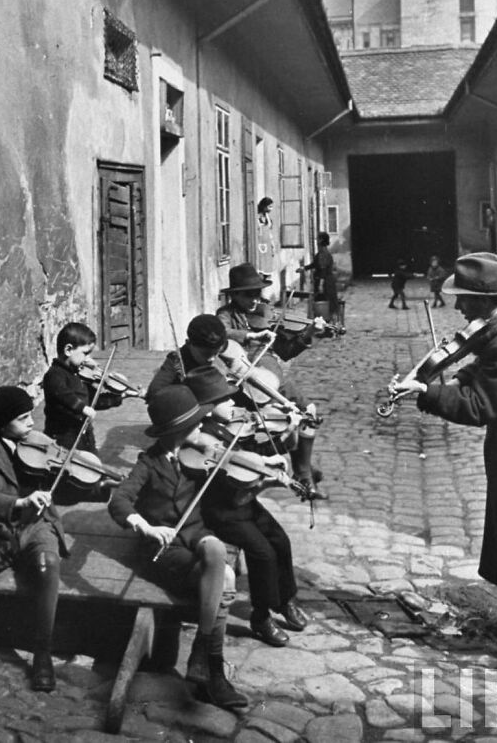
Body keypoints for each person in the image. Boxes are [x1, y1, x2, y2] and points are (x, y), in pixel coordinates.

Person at [389, 252, 497, 667]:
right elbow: (480, 372)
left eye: (464, 299)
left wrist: (427, 392)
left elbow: (478, 404)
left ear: (486, 301)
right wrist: (451, 379)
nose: (457, 306)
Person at [0, 386, 111, 692]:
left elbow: (64, 485)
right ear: (2, 422)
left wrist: (96, 488)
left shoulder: (42, 445)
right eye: (23, 419)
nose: (32, 424)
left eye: (31, 416)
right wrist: (18, 504)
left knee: (48, 566)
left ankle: (42, 652)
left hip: (38, 526)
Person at [108, 385, 248, 709]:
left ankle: (201, 648)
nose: (202, 427)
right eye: (195, 424)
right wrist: (146, 526)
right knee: (225, 578)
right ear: (177, 429)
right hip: (166, 548)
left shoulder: (197, 455)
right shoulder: (149, 463)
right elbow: (119, 501)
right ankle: (213, 670)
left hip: (197, 532)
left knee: (215, 552)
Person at [184, 365, 309, 648]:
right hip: (221, 510)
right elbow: (234, 488)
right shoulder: (200, 439)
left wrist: (279, 445)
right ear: (207, 405)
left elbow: (255, 452)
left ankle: (285, 600)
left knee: (280, 539)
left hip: (243, 503)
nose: (232, 404)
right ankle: (261, 616)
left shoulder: (232, 427)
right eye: (224, 401)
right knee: (262, 552)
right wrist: (264, 482)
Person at [216, 263, 326, 500]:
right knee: (276, 421)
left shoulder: (266, 313)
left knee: (309, 411)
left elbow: (285, 351)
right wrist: (250, 335)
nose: (256, 299)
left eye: (258, 293)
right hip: (246, 381)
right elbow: (220, 334)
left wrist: (307, 335)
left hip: (274, 377)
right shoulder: (225, 315)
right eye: (249, 294)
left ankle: (303, 470)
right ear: (234, 294)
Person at [43, 322, 123, 458]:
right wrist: (83, 408)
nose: (88, 359)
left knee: (94, 468)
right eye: (85, 353)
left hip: (84, 436)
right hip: (63, 440)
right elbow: (63, 395)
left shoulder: (78, 375)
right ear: (68, 350)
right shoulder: (54, 375)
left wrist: (117, 398)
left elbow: (92, 401)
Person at [146, 314, 229, 402]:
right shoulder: (177, 360)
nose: (212, 359)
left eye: (216, 353)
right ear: (189, 344)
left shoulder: (220, 351)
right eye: (206, 354)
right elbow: (154, 391)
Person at [300, 231, 339, 320]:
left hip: (326, 282)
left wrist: (321, 284)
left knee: (324, 304)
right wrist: (304, 268)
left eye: (318, 238)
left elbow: (323, 269)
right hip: (326, 281)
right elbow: (315, 264)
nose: (316, 240)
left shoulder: (323, 253)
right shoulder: (321, 252)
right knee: (324, 303)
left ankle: (326, 325)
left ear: (321, 240)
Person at [256, 197, 275, 282]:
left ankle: (265, 278)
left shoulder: (268, 218)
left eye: (271, 207)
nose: (271, 209)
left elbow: (270, 233)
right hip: (259, 244)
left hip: (267, 245)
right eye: (269, 206)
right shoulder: (257, 217)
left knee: (266, 265)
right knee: (260, 265)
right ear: (264, 206)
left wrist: (272, 245)